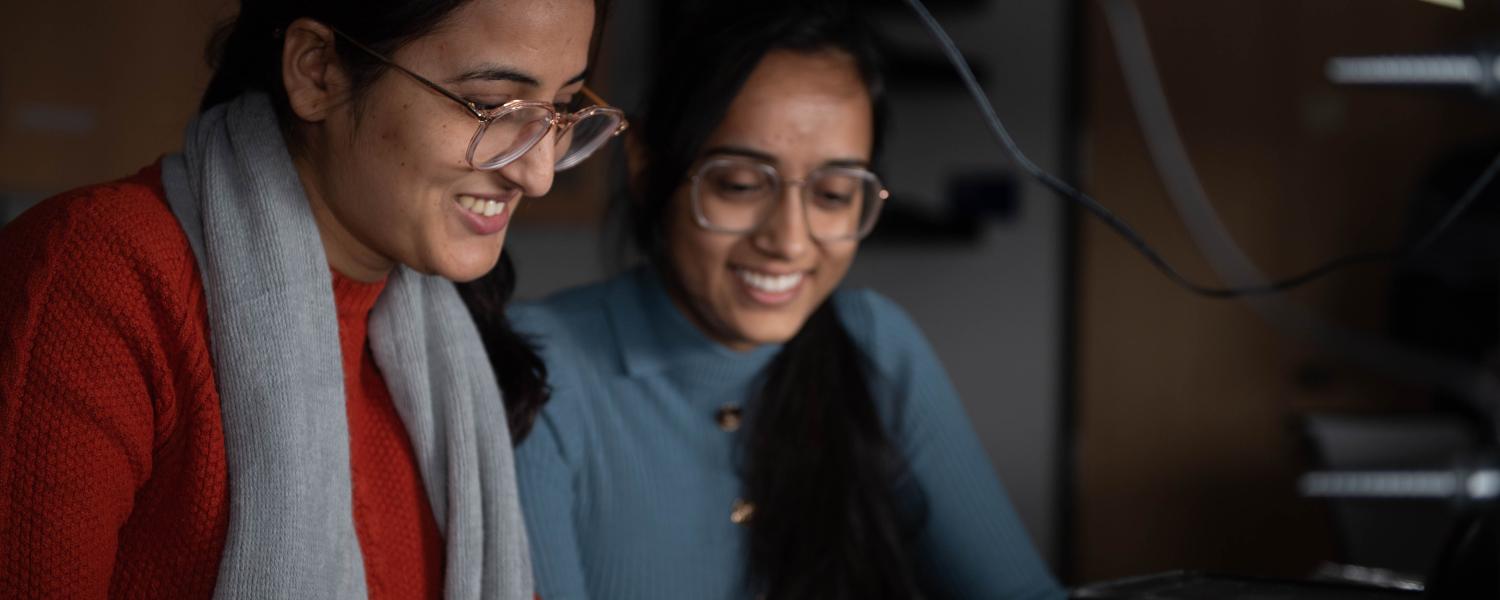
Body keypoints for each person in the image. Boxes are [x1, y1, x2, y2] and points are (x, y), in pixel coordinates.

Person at [0, 0, 623, 597]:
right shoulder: (98, 273)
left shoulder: (446, 344)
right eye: (491, 105)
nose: (537, 173)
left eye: (563, 107)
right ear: (317, 70)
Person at [504, 4, 1065, 599]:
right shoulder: (535, 371)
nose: (790, 241)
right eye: (741, 185)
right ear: (645, 166)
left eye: (833, 193)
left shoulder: (876, 347)